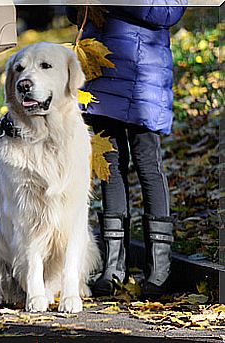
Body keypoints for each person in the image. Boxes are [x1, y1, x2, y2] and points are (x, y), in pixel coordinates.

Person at [66, 3, 186, 299]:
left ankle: (160, 268)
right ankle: (114, 265)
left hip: (144, 75)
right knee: (109, 165)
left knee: (148, 163)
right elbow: (73, 14)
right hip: (103, 73)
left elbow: (168, 12)